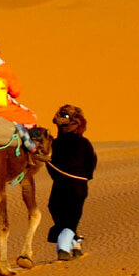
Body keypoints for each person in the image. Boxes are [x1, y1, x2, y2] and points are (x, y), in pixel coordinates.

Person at [47, 104, 97, 260]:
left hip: (74, 184)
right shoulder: (57, 143)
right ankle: (75, 244)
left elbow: (90, 163)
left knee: (69, 218)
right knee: (58, 211)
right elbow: (91, 164)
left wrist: (80, 177)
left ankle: (63, 249)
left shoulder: (80, 143)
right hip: (67, 184)